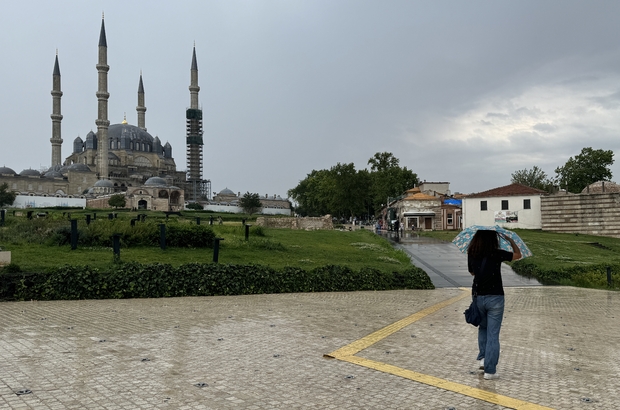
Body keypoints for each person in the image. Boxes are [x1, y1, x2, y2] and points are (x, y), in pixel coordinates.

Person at [467, 229, 521, 380]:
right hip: (496, 297)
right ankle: (490, 371)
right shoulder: (497, 253)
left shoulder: (472, 252)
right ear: (493, 240)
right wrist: (511, 241)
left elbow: (472, 272)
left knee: (483, 328)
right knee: (493, 333)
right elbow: (518, 255)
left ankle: (484, 359)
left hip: (478, 297)